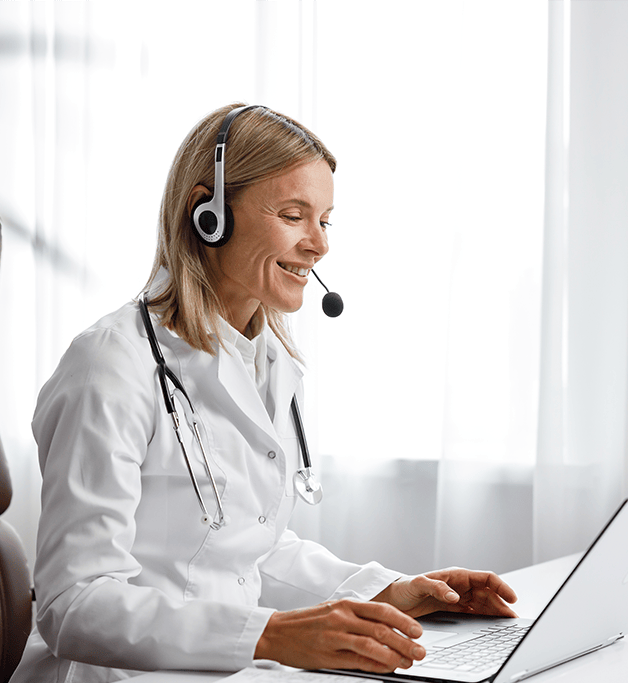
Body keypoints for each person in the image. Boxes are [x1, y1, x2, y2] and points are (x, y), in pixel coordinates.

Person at [10, 104, 518, 683]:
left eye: (326, 221)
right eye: (293, 215)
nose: (318, 245)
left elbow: (248, 542)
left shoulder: (266, 359)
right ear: (208, 213)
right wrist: (271, 634)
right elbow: (72, 605)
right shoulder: (110, 363)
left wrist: (389, 593)